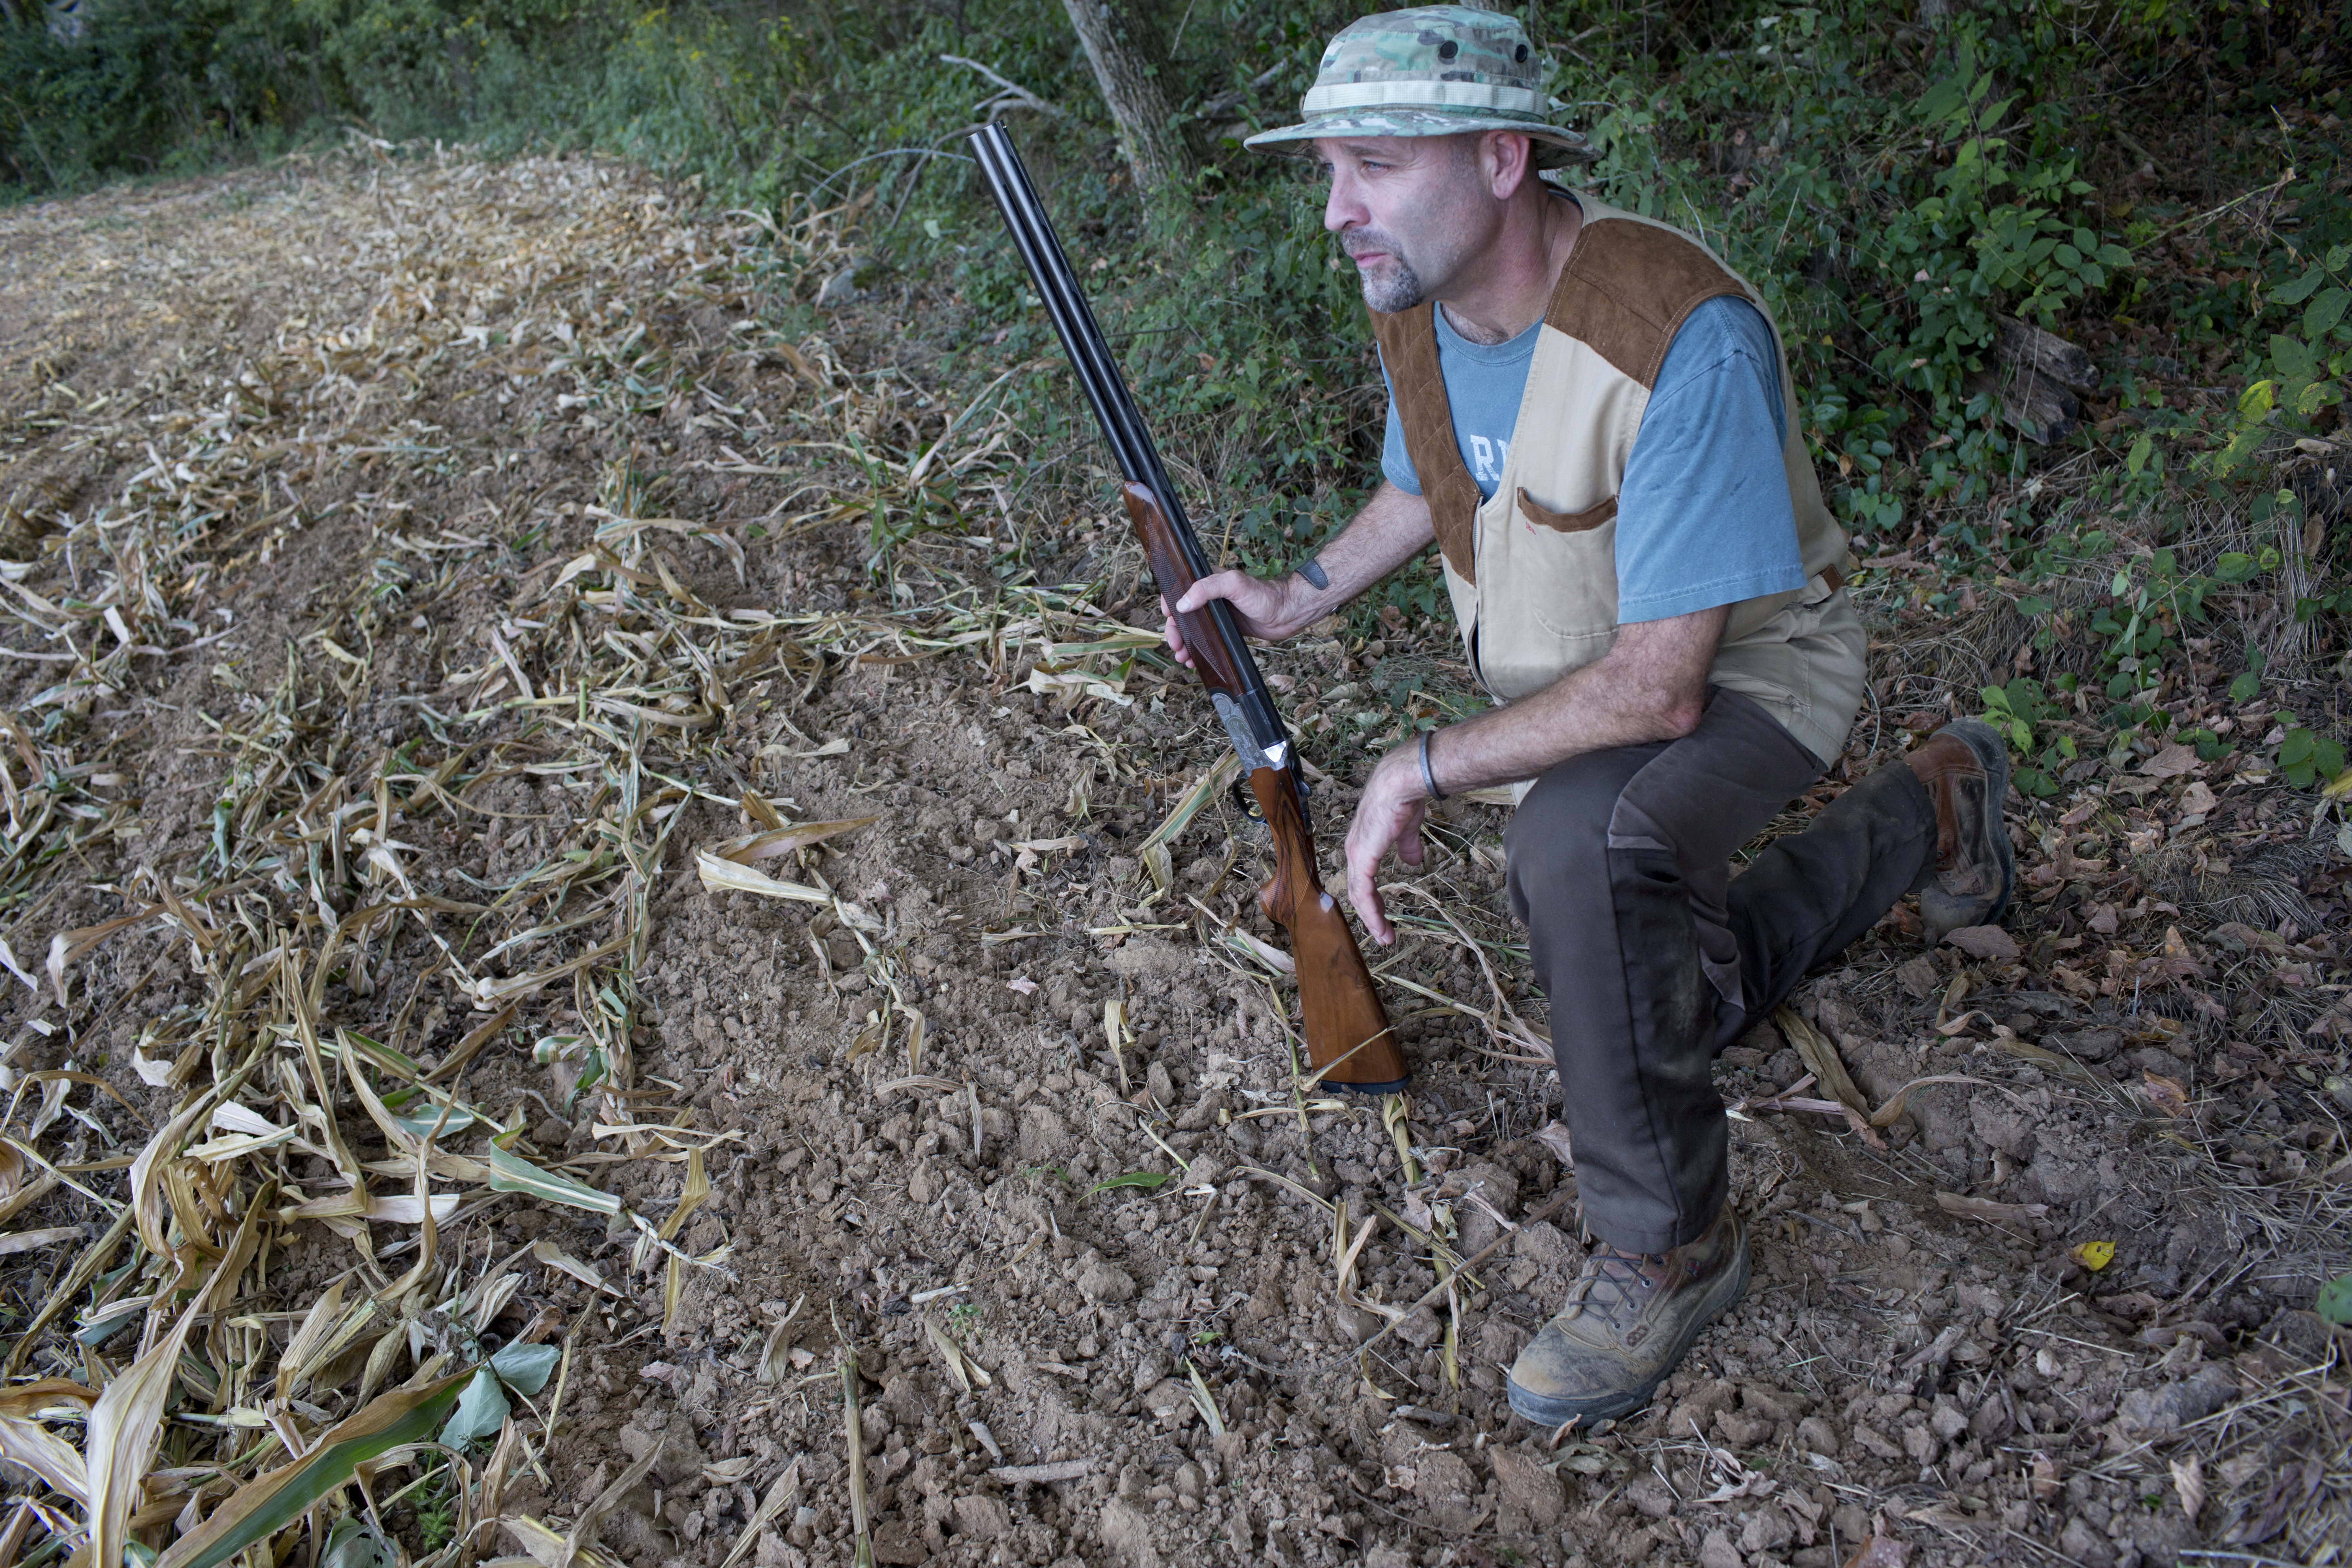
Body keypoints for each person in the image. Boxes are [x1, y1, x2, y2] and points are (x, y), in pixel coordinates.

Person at [1163, 4, 2016, 1430]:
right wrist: (1294, 599)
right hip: (1585, 670)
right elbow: (1428, 483)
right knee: (1679, 986)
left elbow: (1662, 687)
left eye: (1371, 164)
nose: (1335, 212)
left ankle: (1671, 1244)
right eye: (1325, 170)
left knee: (1578, 846)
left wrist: (1418, 769)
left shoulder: (1679, 332)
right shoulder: (1423, 305)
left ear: (1503, 158)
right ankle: (1936, 806)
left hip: (1752, 671)